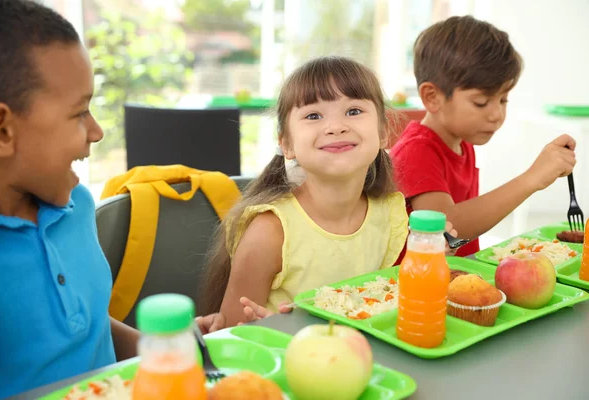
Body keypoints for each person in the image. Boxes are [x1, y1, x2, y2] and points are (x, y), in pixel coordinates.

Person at [0, 1, 223, 397]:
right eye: (79, 112)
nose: (96, 132)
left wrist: (168, 349)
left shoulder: (77, 205)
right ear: (1, 131)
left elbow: (89, 330)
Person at [200, 56, 458, 327]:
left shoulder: (388, 213)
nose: (336, 127)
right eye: (313, 115)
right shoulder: (270, 232)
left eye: (354, 111)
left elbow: (375, 301)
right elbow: (228, 336)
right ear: (287, 144)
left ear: (383, 133)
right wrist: (281, 330)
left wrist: (429, 262)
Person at [390, 15, 576, 258]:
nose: (497, 114)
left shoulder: (462, 144)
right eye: (481, 102)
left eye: (503, 99)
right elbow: (447, 230)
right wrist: (531, 179)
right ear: (432, 97)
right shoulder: (416, 150)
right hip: (418, 286)